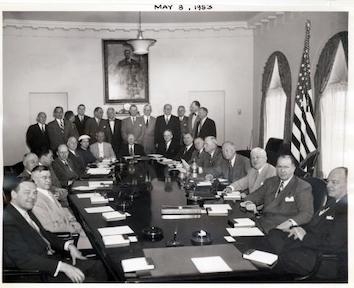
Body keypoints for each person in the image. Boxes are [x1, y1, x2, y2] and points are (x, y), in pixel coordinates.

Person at [3, 180, 107, 282]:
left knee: (98, 266)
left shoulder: (25, 211)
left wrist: (69, 246)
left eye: (35, 193)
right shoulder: (7, 221)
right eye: (27, 192)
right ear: (14, 194)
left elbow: (44, 233)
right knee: (90, 281)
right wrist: (63, 267)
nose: (32, 197)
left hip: (49, 261)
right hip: (37, 273)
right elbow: (23, 259)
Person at [267, 167, 348, 278]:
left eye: (334, 182)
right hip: (310, 245)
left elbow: (333, 244)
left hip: (323, 259)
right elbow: (316, 225)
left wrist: (304, 236)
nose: (329, 186)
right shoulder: (333, 202)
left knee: (281, 258)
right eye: (328, 181)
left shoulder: (346, 209)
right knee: (274, 233)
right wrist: (297, 228)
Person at [240, 154, 314, 233]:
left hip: (281, 229)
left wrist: (289, 223)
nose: (282, 170)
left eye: (286, 167)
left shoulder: (302, 186)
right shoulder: (271, 182)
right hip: (262, 224)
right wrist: (249, 203)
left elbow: (306, 213)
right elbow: (253, 197)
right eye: (279, 167)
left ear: (293, 168)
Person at [31, 166, 92, 249]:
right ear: (34, 180)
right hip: (66, 238)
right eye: (44, 178)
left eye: (49, 177)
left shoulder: (47, 192)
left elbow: (62, 210)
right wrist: (73, 227)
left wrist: (72, 219)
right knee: (101, 243)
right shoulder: (36, 200)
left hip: (72, 230)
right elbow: (49, 227)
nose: (48, 180)